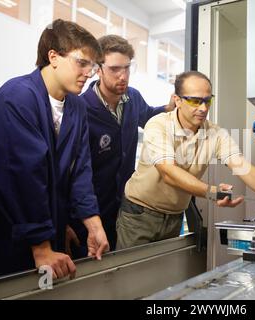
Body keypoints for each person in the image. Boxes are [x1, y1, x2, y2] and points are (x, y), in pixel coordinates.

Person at [0, 19, 109, 283]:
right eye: (82, 63)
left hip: (46, 228)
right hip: (8, 230)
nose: (89, 73)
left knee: (45, 291)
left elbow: (80, 169)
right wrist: (41, 246)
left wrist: (93, 225)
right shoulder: (17, 97)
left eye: (93, 66)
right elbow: (21, 177)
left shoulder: (76, 107)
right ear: (53, 57)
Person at [116, 70, 255, 249]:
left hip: (174, 216)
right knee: (128, 277)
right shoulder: (158, 125)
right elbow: (169, 173)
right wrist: (213, 192)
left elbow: (243, 167)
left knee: (161, 277)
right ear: (177, 100)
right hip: (139, 214)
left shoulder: (215, 133)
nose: (203, 108)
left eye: (207, 101)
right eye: (195, 101)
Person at [68, 35, 175, 253]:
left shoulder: (133, 98)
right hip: (89, 210)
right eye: (115, 69)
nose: (123, 76)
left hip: (124, 207)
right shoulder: (81, 109)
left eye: (127, 68)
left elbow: (148, 116)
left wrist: (169, 107)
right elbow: (70, 170)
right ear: (98, 69)